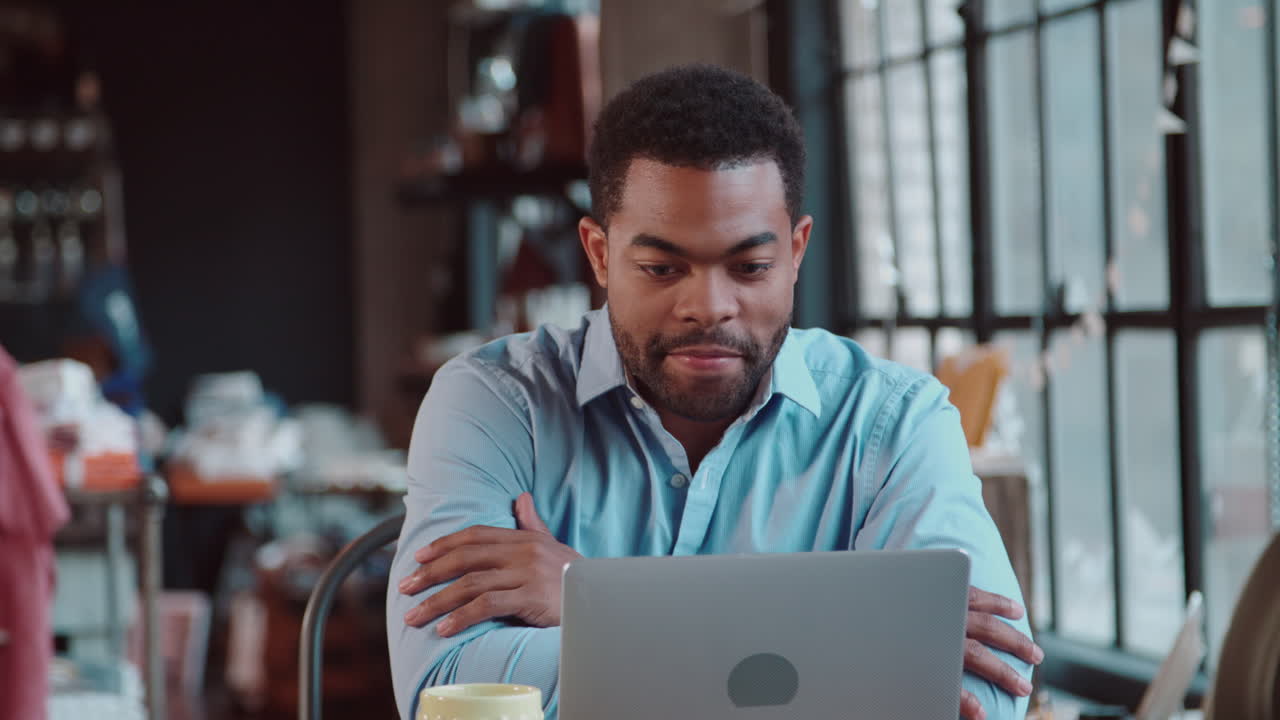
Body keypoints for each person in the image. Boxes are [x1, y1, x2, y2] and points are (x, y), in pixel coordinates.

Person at [387, 64, 1041, 720]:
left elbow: (985, 693)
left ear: (796, 251)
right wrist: (848, 652)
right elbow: (447, 688)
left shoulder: (897, 422)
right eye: (661, 268)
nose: (708, 306)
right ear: (600, 254)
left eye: (750, 267)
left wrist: (598, 604)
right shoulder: (495, 404)